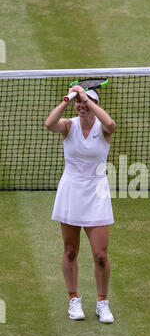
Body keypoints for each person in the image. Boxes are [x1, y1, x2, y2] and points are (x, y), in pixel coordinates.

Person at [45, 84, 116, 323]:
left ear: (94, 104)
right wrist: (68, 98)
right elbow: (49, 124)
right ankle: (73, 299)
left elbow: (111, 124)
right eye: (79, 103)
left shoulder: (102, 129)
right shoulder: (68, 126)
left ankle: (102, 303)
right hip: (71, 191)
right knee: (71, 251)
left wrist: (87, 97)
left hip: (97, 192)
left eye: (86, 102)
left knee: (100, 255)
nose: (82, 106)